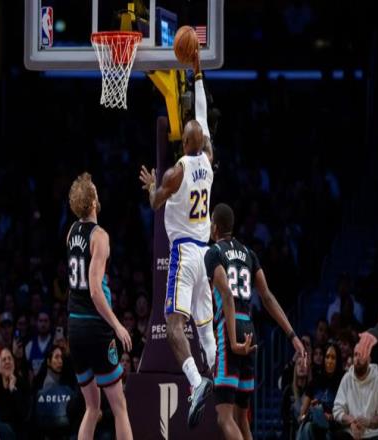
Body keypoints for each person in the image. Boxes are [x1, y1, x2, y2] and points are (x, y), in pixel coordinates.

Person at [139, 48, 216, 428]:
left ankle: (197, 383)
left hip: (184, 252)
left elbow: (156, 204)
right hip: (206, 254)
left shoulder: (176, 172)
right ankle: (218, 376)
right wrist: (197, 72)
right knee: (205, 328)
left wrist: (153, 186)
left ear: (183, 144)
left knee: (172, 323)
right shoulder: (209, 161)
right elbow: (202, 115)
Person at [204, 203, 305, 439]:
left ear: (215, 227)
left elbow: (226, 296)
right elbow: (267, 297)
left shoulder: (213, 253)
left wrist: (232, 341)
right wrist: (292, 335)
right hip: (249, 327)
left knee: (224, 418)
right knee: (241, 418)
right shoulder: (249, 253)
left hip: (230, 328)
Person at [66, 173, 133, 440]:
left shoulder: (71, 232)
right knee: (119, 407)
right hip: (95, 326)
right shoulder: (100, 236)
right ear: (93, 201)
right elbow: (94, 290)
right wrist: (117, 325)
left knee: (92, 408)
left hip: (74, 325)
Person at [333, 345, 378, 439]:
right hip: (350, 431)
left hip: (373, 434)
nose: (357, 359)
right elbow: (337, 410)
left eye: (361, 355)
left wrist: (369, 422)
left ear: (369, 359)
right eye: (355, 355)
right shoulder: (347, 378)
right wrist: (351, 422)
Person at [298, 343, 343, 439]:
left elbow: (346, 412)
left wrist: (330, 416)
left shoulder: (343, 382)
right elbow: (302, 415)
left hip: (333, 427)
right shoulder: (315, 382)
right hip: (315, 424)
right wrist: (311, 409)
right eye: (327, 357)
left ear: (338, 361)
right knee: (307, 425)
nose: (329, 361)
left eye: (333, 358)